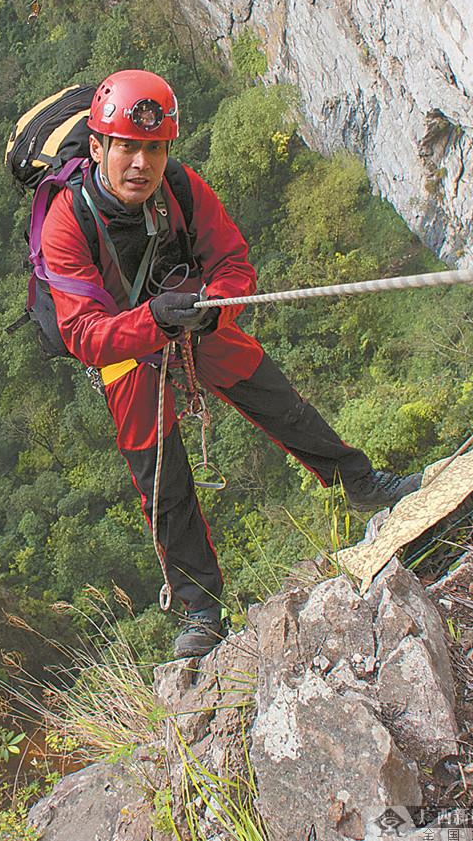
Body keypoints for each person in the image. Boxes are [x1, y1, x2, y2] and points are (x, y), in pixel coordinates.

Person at [39, 70, 421, 658]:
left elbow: (235, 264)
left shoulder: (183, 189)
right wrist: (153, 323)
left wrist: (216, 308)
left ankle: (361, 483)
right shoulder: (69, 222)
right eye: (127, 148)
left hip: (194, 317)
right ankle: (199, 608)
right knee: (161, 479)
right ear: (98, 148)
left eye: (154, 149)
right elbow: (84, 334)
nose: (141, 164)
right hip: (125, 348)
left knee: (277, 401)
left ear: (167, 150)